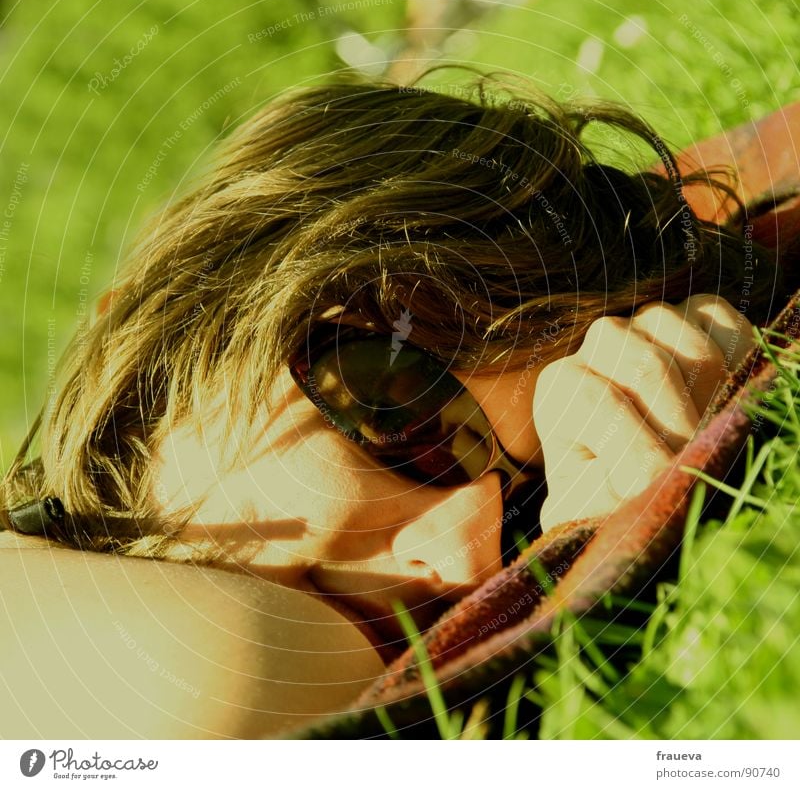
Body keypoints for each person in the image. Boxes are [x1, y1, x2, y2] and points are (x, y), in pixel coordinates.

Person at [0, 74, 781, 737]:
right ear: (161, 351)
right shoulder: (209, 656)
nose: (462, 562)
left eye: (529, 506)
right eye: (402, 412)